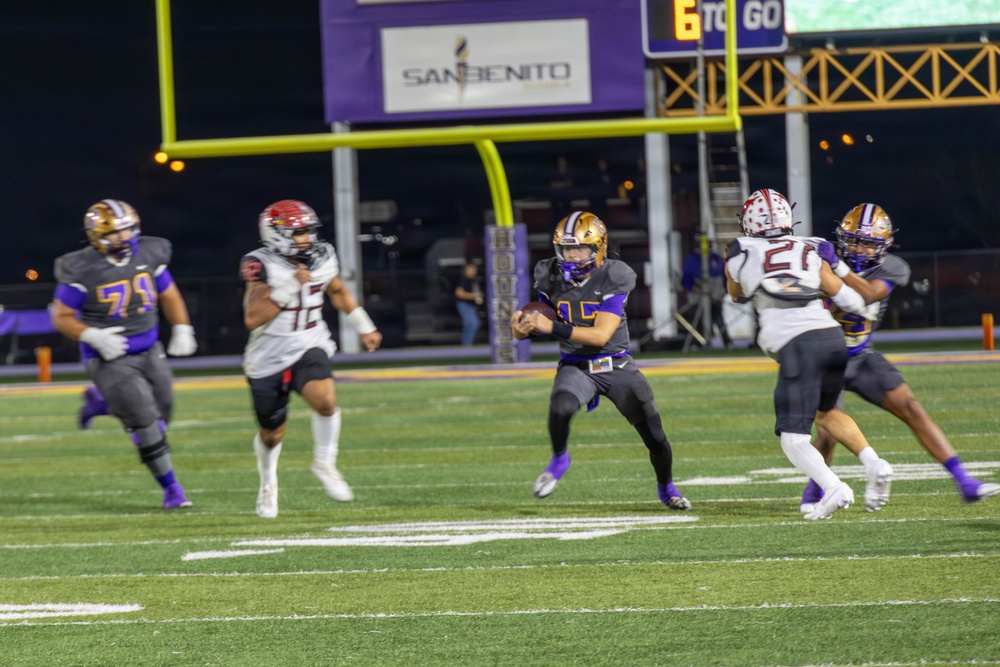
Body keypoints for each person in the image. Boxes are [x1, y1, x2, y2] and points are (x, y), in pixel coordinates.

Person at [799, 203, 1000, 509]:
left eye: (868, 243)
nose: (859, 248)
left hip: (860, 355)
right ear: (842, 237)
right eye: (854, 240)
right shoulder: (823, 260)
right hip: (823, 359)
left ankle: (965, 481)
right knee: (827, 433)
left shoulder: (892, 267)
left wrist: (834, 268)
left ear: (883, 246)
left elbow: (866, 294)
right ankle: (813, 493)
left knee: (911, 407)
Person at [723, 188, 890, 520]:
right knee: (825, 413)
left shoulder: (739, 249)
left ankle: (833, 487)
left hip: (795, 343)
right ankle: (875, 463)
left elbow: (735, 295)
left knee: (792, 438)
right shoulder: (810, 247)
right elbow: (849, 299)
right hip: (831, 336)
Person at [511, 211, 691, 510]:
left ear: (599, 248)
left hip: (616, 364)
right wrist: (520, 328)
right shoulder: (548, 273)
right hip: (576, 365)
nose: (573, 255)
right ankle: (559, 459)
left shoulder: (614, 274)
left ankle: (667, 487)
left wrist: (551, 327)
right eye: (567, 248)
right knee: (561, 407)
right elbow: (533, 322)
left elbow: (600, 336)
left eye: (581, 248)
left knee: (655, 437)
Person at [51, 199, 198, 509]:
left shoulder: (150, 251)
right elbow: (61, 317)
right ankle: (173, 490)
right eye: (114, 233)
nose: (123, 238)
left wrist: (183, 327)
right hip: (109, 355)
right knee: (146, 421)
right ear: (95, 236)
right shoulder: (81, 267)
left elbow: (168, 293)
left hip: (149, 348)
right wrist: (92, 335)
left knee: (163, 414)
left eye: (128, 229)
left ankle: (101, 404)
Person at [239, 199, 382, 519]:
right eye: (299, 232)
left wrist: (364, 325)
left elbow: (336, 290)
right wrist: (290, 286)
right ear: (276, 234)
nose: (307, 239)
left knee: (325, 401)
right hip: (268, 354)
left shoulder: (324, 255)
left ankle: (324, 463)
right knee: (272, 432)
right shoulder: (259, 263)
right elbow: (252, 318)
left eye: (308, 232)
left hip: (310, 343)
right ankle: (268, 482)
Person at [680, 237, 733, 349]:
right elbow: (686, 277)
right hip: (697, 296)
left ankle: (727, 341)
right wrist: (692, 287)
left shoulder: (716, 259)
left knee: (718, 319)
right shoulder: (692, 259)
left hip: (715, 295)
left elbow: (724, 276)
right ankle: (696, 343)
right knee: (697, 319)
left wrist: (725, 290)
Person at [453, 261, 483, 346]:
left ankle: (466, 343)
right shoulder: (463, 280)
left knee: (470, 324)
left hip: (472, 305)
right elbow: (459, 293)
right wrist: (474, 296)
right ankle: (467, 344)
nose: (473, 272)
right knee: (473, 323)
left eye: (474, 270)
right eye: (471, 270)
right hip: (464, 305)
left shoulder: (474, 280)